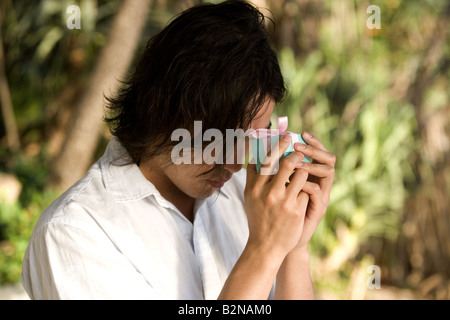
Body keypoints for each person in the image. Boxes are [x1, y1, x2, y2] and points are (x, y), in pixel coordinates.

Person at [21, 0, 335, 299]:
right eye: (222, 139)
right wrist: (263, 251)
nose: (238, 164)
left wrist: (294, 246)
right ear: (162, 108)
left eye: (250, 139)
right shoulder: (76, 233)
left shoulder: (245, 195)